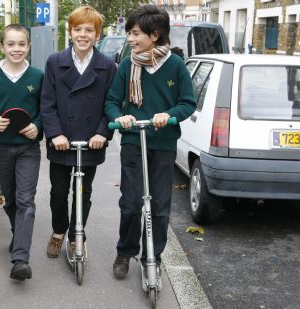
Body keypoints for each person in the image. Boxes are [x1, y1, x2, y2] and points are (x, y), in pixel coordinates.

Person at [105, 5, 196, 279]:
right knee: (132, 202)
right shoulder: (127, 65)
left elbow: (187, 103)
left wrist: (168, 116)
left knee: (159, 206)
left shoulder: (176, 65)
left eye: (135, 34)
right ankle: (125, 251)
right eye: (129, 34)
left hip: (164, 144)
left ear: (154, 35)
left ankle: (152, 256)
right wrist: (119, 119)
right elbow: (112, 101)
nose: (130, 39)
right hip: (134, 141)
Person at [40, 5, 117, 259]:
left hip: (90, 141)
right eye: (77, 29)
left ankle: (77, 236)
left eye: (89, 30)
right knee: (58, 193)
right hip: (62, 140)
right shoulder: (54, 62)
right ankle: (59, 231)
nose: (83, 35)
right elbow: (47, 102)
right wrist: (55, 134)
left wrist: (102, 134)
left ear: (98, 34)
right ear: (70, 32)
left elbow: (111, 104)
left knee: (83, 194)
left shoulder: (107, 66)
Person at [0, 24, 44, 281]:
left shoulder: (38, 77)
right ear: (1, 47)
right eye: (11, 44)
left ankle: (20, 259)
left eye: (21, 44)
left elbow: (45, 112)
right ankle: (19, 232)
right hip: (3, 147)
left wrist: (37, 127)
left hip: (28, 149)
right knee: (11, 199)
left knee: (26, 200)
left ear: (29, 47)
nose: (16, 49)